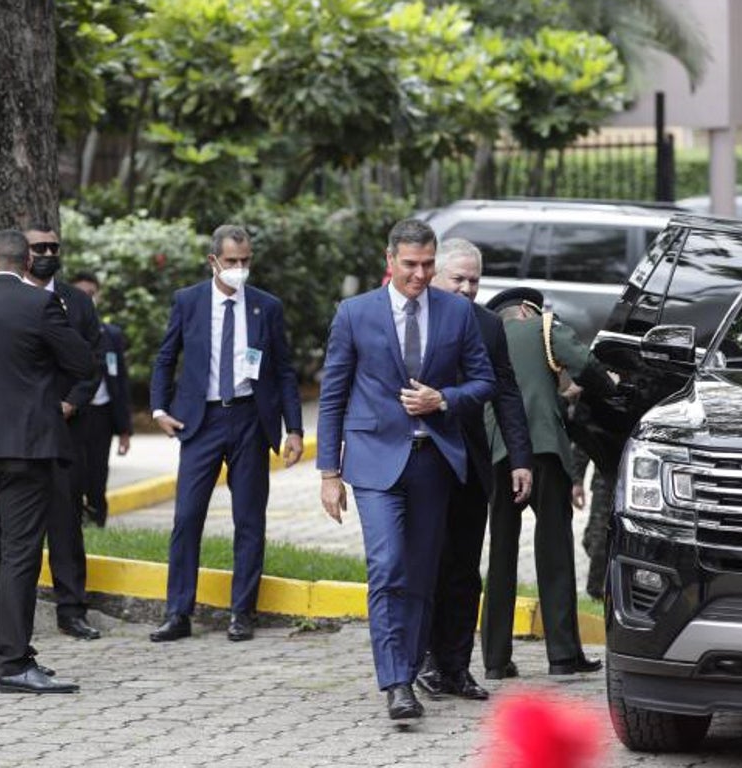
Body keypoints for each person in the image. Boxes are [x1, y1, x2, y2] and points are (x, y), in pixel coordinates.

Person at [317, 218, 496, 721]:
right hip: (375, 462)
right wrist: (329, 472)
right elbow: (332, 395)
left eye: (427, 264)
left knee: (420, 576)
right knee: (388, 565)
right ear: (390, 260)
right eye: (411, 265)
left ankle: (411, 666)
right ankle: (396, 682)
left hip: (433, 461)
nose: (420, 275)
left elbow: (483, 382)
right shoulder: (354, 314)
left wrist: (444, 399)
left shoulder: (456, 314)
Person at [150, 224, 304, 643]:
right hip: (200, 421)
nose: (239, 268)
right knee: (186, 518)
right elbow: (166, 356)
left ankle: (242, 612)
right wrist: (160, 408)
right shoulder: (189, 301)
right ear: (213, 261)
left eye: (245, 261)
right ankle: (178, 612)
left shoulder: (266, 307)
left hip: (251, 420)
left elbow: (284, 371)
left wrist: (294, 429)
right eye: (232, 261)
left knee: (249, 519)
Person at [0, 229, 94, 694]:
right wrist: (45, 381)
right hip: (29, 445)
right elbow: (83, 362)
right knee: (21, 552)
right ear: (24, 264)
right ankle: (16, 662)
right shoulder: (40, 305)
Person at [415, 238, 532, 703]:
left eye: (474, 280)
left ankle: (457, 666)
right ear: (436, 276)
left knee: (464, 569)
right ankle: (422, 658)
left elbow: (507, 393)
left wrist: (520, 459)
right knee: (426, 564)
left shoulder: (487, 324)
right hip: (420, 459)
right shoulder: (415, 321)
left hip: (470, 463)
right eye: (457, 279)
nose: (466, 288)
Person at [480, 287, 615, 680]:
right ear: (526, 309)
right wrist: (609, 387)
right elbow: (585, 364)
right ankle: (562, 655)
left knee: (501, 554)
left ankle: (494, 659)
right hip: (542, 450)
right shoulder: (543, 326)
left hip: (497, 453)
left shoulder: (487, 337)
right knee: (554, 549)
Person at [23, 224, 104, 640]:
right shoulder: (9, 300)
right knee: (16, 527)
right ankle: (11, 612)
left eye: (54, 246)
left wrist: (71, 402)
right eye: (39, 246)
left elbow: (93, 360)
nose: (48, 252)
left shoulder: (77, 302)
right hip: (16, 431)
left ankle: (72, 609)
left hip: (66, 429)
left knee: (66, 523)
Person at [72, 272, 132, 527]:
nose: (87, 299)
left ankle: (98, 520)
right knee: (76, 473)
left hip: (103, 415)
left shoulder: (111, 335)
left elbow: (120, 384)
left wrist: (125, 430)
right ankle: (76, 520)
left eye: (91, 294)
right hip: (75, 413)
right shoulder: (65, 332)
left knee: (99, 472)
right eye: (81, 294)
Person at [570, 443, 614, 601]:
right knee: (599, 539)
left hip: (637, 483)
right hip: (605, 482)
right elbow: (586, 443)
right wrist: (576, 481)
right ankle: (596, 592)